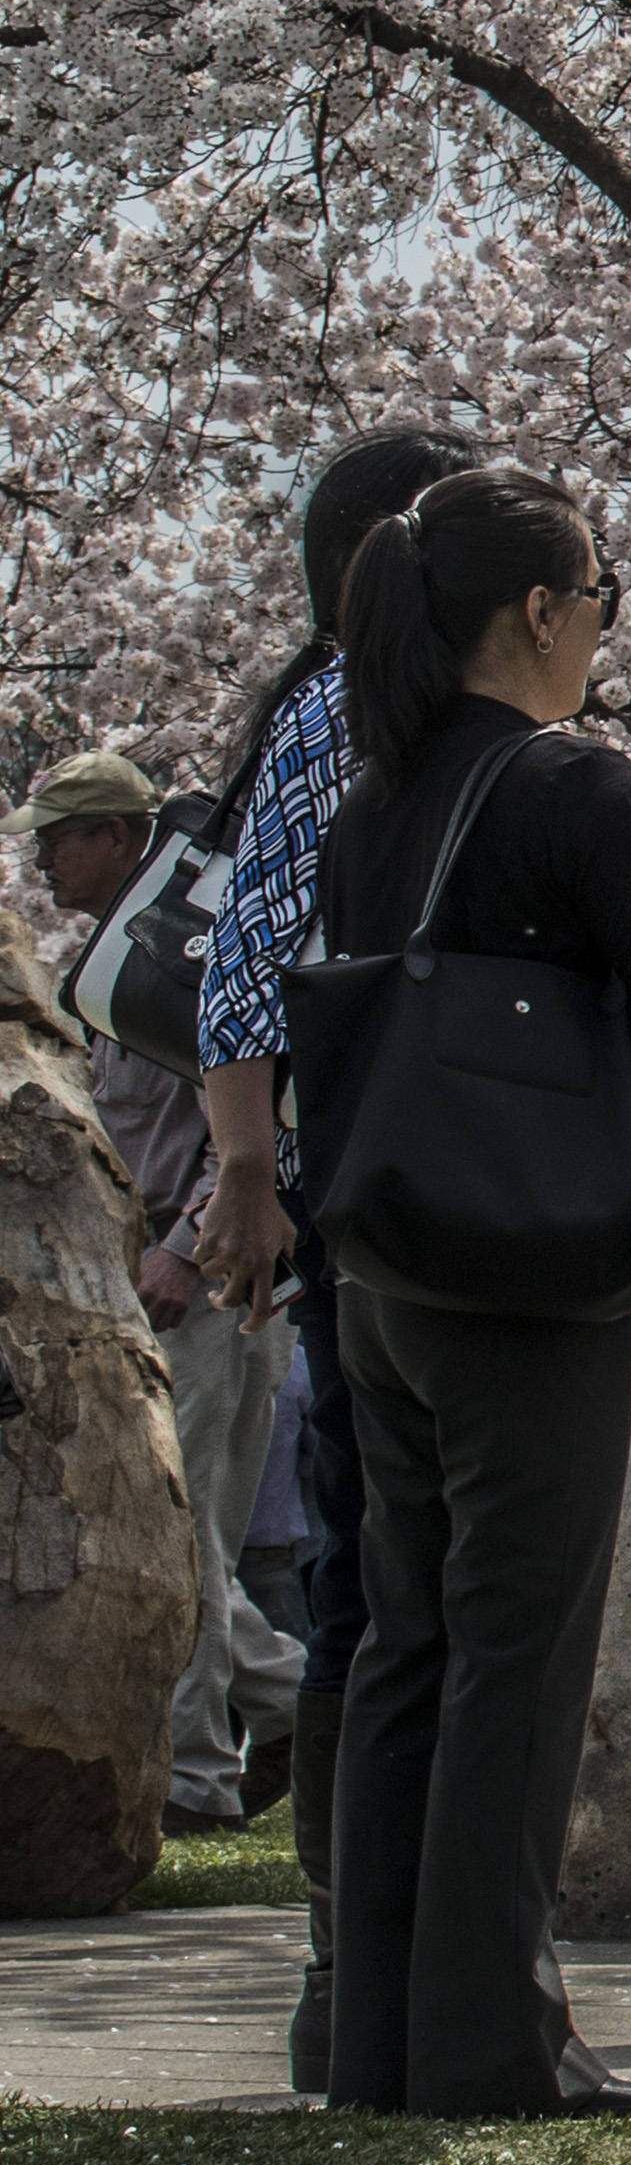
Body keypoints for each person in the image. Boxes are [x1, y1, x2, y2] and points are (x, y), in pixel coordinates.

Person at [313, 462, 631, 2118]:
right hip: (533, 1274)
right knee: (521, 1649)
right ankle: (500, 2034)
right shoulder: (576, 783)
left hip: (392, 1269)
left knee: (413, 1642)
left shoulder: (378, 802)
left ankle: (383, 2034)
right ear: (544, 610)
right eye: (598, 598)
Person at [177, 421, 480, 2094]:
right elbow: (247, 961)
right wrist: (242, 1173)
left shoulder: (380, 719)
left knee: (390, 1587)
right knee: (383, 1587)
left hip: (372, 1203)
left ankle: (373, 1966)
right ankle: (363, 1965)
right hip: (371, 1210)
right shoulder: (344, 716)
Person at [37, 749, 304, 1832]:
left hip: (206, 1281)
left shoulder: (186, 960)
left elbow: (249, 1115)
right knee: (181, 1528)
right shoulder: (119, 963)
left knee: (189, 1528)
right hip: (155, 1276)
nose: (44, 859)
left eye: (61, 837)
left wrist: (186, 1253)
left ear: (118, 838)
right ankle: (290, 1700)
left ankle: (201, 1770)